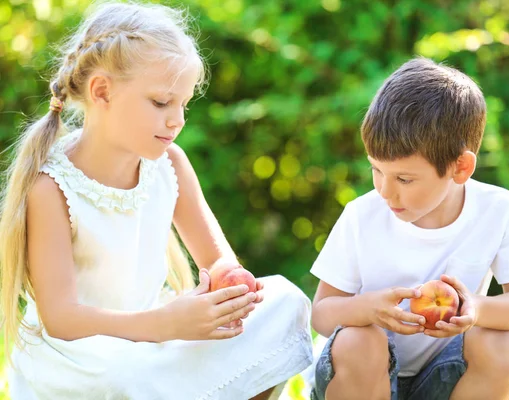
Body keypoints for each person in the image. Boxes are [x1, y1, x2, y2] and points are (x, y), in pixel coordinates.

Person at [0, 2, 312, 399]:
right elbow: (62, 320)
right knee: (122, 377)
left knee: (285, 303)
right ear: (102, 92)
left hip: (158, 334)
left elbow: (218, 260)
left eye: (183, 104)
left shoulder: (170, 165)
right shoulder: (52, 188)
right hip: (87, 354)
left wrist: (230, 290)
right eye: (162, 103)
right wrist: (165, 325)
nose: (177, 120)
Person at [309, 58, 509, 400]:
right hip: (359, 377)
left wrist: (475, 308)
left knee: (498, 339)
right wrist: (367, 308)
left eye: (404, 178)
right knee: (361, 340)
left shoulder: (498, 209)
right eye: (376, 170)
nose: (385, 191)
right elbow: (322, 313)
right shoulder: (362, 215)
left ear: (460, 167)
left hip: (445, 376)